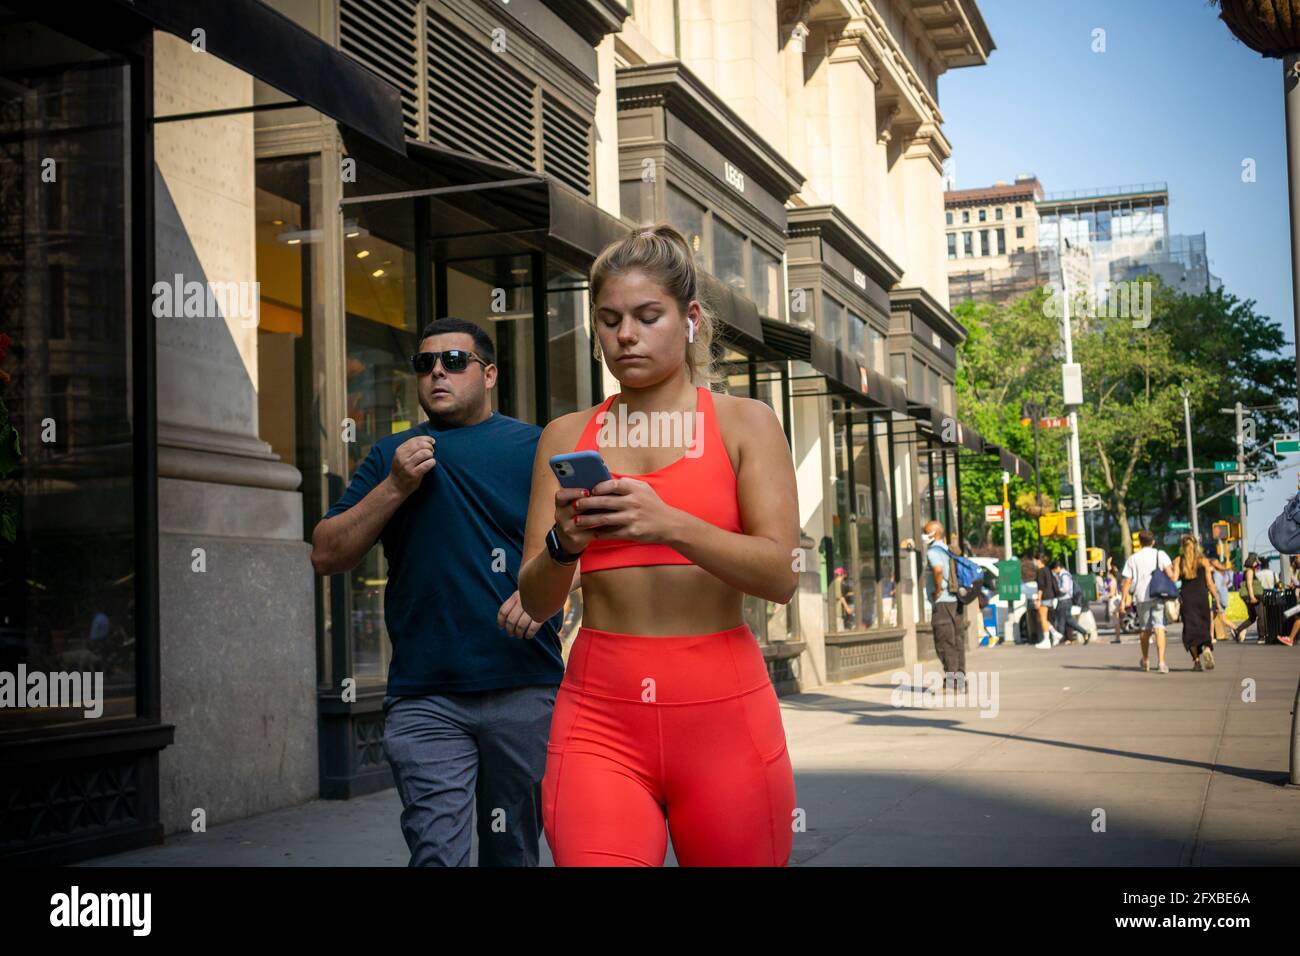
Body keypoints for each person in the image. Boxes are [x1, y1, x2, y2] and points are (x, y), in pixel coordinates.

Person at [517, 224, 799, 867]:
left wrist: (671, 524)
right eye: (610, 319)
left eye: (648, 316)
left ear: (690, 317)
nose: (625, 335)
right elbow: (536, 603)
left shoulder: (744, 423)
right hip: (599, 717)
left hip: (724, 714)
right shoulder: (565, 436)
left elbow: (782, 573)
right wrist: (565, 544)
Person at [310, 318, 567, 867]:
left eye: (454, 361)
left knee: (513, 850)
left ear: (490, 373)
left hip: (524, 684)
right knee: (436, 854)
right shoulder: (392, 456)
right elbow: (327, 553)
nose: (436, 373)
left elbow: (588, 539)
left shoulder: (536, 446)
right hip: (426, 696)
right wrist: (396, 487)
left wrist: (542, 595)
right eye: (424, 364)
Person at [1121, 529, 1173, 673]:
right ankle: (1161, 662)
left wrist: (1123, 601)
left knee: (1145, 629)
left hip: (1141, 597)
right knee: (1159, 627)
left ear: (1139, 542)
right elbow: (1171, 575)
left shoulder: (1133, 558)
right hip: (1158, 595)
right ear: (1153, 541)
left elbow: (1127, 581)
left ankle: (1146, 660)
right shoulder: (1160, 554)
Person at [922, 520, 966, 689]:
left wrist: (938, 590)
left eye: (926, 532)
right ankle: (960, 679)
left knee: (944, 642)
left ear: (934, 534)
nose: (924, 535)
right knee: (956, 640)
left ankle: (952, 679)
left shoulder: (933, 551)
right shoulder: (948, 549)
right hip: (956, 601)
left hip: (943, 602)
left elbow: (938, 570)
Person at [1170, 535, 1220, 670]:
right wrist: (1217, 599)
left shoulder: (1178, 560)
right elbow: (1210, 583)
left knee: (1190, 631)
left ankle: (1196, 662)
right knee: (1203, 627)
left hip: (1187, 600)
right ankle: (1206, 647)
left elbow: (1173, 579)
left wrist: (1166, 570)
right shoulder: (1203, 561)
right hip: (1202, 598)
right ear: (1196, 545)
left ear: (1182, 546)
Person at [1050, 558, 1092, 643]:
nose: (1054, 572)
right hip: (1066, 600)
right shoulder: (1065, 574)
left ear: (1057, 567)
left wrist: (1057, 591)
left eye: (1054, 570)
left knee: (1061, 620)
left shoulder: (1064, 575)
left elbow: (1065, 588)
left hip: (1064, 600)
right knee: (1069, 620)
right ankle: (1084, 632)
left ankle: (1058, 639)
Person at [1032, 552, 1062, 647]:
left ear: (1038, 560)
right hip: (1050, 596)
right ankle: (1054, 633)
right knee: (1042, 618)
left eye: (1034, 560)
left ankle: (1046, 640)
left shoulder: (1040, 571)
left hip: (1044, 597)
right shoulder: (1048, 570)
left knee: (1043, 619)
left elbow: (1040, 587)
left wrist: (1038, 600)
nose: (1034, 562)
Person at [1233, 553, 1263, 642]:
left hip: (1250, 597)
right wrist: (1252, 597)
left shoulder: (1249, 570)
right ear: (1252, 562)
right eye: (1256, 561)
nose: (1257, 563)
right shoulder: (1250, 571)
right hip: (1253, 597)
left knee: (1252, 618)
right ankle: (1262, 637)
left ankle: (1237, 630)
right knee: (1261, 616)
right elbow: (1249, 584)